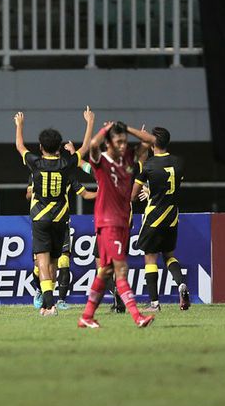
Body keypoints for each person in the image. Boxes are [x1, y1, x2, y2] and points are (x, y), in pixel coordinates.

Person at [14, 107, 94, 315]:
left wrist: (20, 125)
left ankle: (49, 305)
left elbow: (20, 146)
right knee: (55, 263)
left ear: (40, 147)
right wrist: (89, 123)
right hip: (60, 218)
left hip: (40, 217)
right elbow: (85, 148)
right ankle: (52, 303)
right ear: (59, 146)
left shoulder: (35, 163)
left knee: (42, 263)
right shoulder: (66, 164)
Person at [79, 120, 156, 328]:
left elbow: (151, 140)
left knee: (104, 271)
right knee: (121, 268)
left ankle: (86, 316)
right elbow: (93, 146)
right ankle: (137, 316)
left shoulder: (128, 159)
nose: (122, 145)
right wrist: (106, 129)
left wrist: (125, 129)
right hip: (108, 222)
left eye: (124, 142)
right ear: (109, 143)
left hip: (122, 221)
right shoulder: (101, 160)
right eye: (118, 141)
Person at [131, 127, 190, 312]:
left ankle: (155, 303)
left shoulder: (149, 165)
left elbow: (133, 196)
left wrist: (147, 192)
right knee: (169, 255)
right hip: (172, 216)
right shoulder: (179, 162)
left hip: (154, 216)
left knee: (150, 258)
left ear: (152, 143)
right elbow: (169, 186)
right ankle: (181, 283)